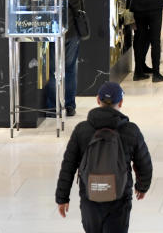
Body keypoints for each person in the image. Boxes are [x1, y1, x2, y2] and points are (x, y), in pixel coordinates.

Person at [56, 82, 152, 233]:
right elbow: (145, 163)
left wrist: (62, 197)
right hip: (120, 197)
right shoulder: (130, 130)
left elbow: (68, 165)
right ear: (120, 103)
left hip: (90, 196)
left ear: (97, 100)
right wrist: (142, 186)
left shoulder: (82, 130)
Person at [45, 0, 86, 116]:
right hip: (71, 33)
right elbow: (79, 9)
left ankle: (51, 107)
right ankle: (69, 105)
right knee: (70, 70)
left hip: (51, 32)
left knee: (53, 70)